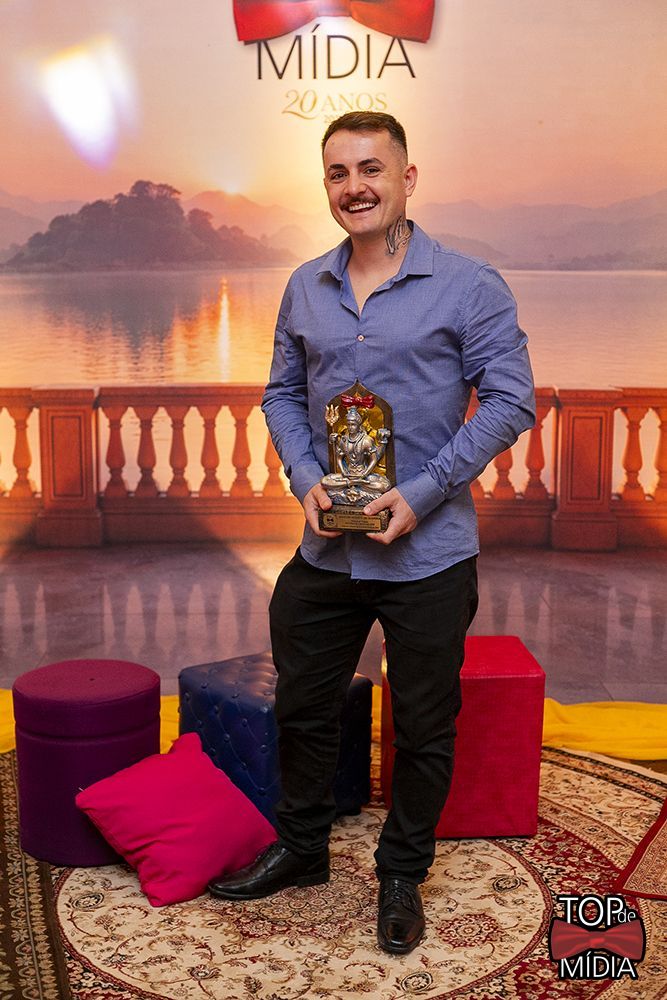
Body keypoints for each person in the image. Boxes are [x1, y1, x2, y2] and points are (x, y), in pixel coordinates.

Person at [208, 111, 535, 955]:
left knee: (423, 724)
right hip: (327, 548)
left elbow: (510, 400)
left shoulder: (469, 285)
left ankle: (400, 873)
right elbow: (281, 394)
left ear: (406, 178)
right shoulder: (304, 285)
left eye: (370, 169)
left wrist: (421, 493)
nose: (353, 187)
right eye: (337, 172)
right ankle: (302, 848)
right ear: (325, 184)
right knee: (302, 705)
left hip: (427, 553)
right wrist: (303, 476)